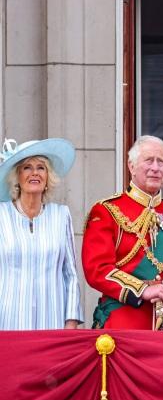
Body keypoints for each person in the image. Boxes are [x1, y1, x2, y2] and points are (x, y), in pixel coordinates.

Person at [82, 135, 163, 330]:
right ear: (131, 166)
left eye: (161, 162)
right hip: (123, 322)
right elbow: (97, 269)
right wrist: (143, 290)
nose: (155, 168)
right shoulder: (107, 210)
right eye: (149, 160)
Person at [0, 138, 83, 330]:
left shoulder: (61, 215)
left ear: (48, 178)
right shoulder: (2, 215)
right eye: (27, 167)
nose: (35, 172)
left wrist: (70, 323)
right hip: (8, 322)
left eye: (41, 167)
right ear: (17, 178)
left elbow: (70, 274)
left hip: (52, 323)